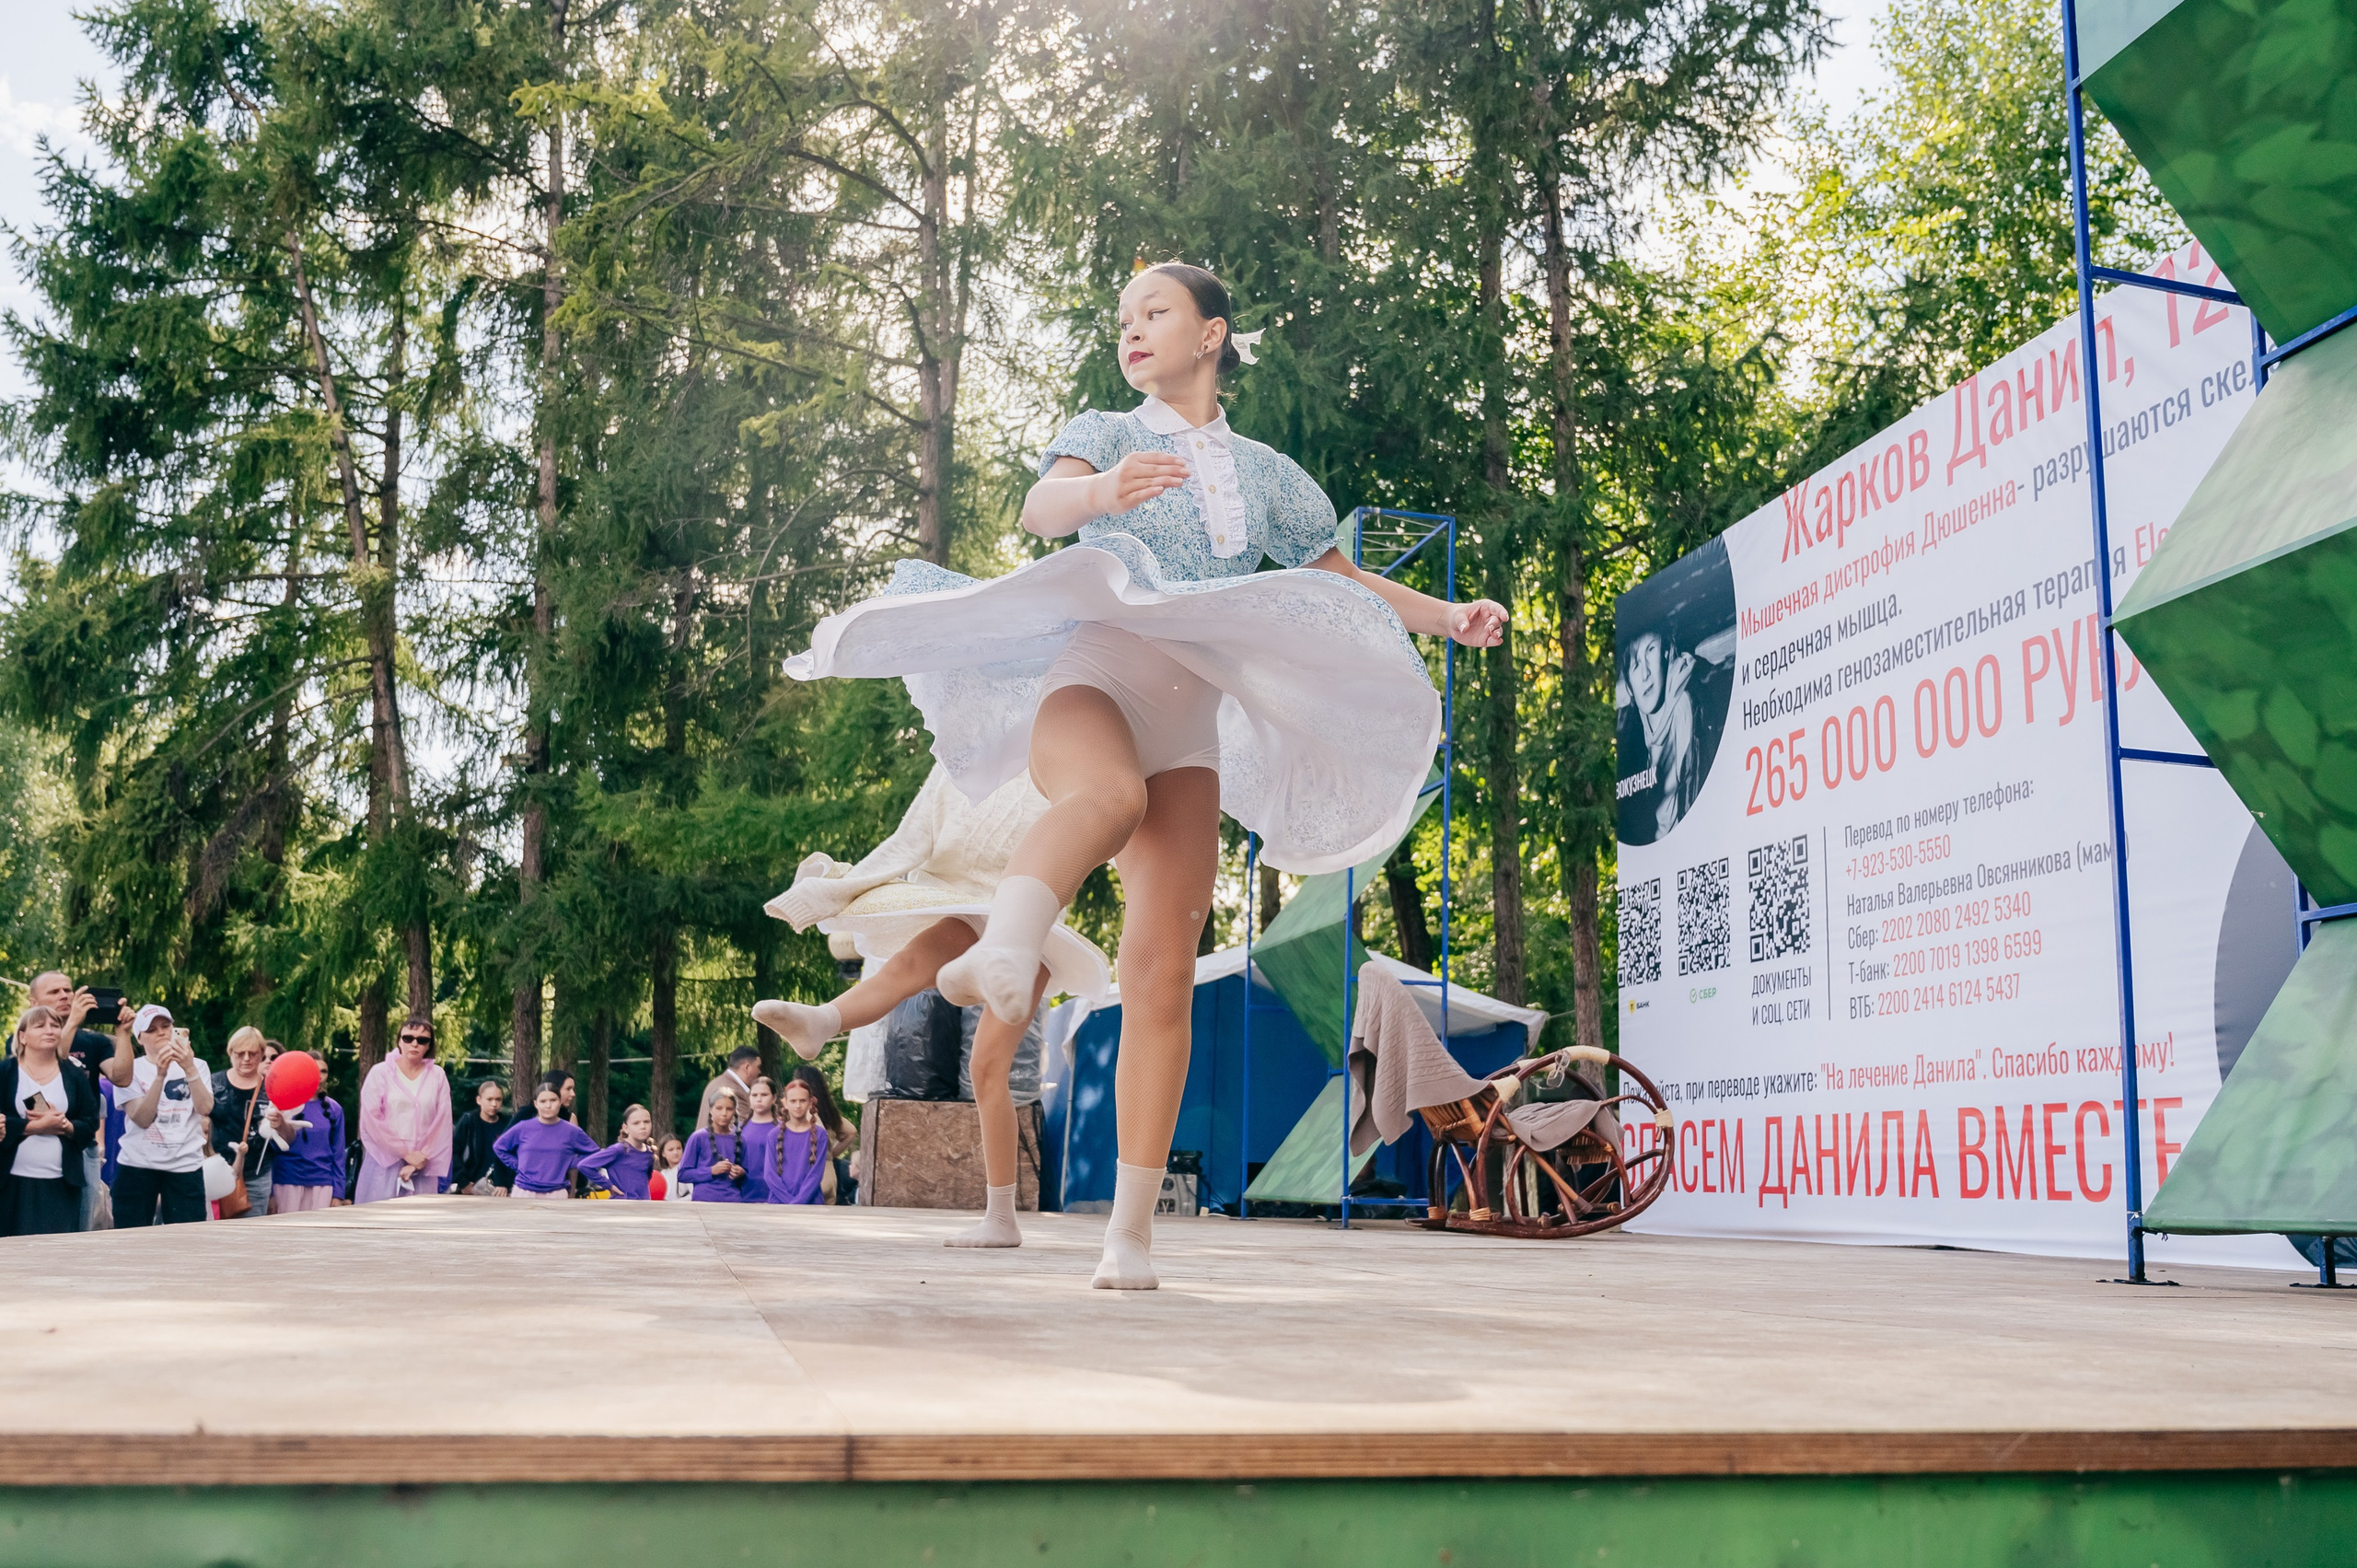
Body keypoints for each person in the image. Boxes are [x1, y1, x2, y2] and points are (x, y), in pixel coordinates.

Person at [785, 261, 1503, 1284]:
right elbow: (1042, 510)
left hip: (1190, 732)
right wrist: (1098, 492)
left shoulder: (1268, 474)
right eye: (1122, 318)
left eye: (1155, 313)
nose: (1133, 329)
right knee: (1105, 794)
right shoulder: (1110, 431)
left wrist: (1446, 616)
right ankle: (1003, 952)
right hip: (1093, 685)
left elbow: (1334, 581)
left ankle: (1128, 1233)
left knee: (1159, 972)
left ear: (1210, 333)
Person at [753, 763, 1112, 1061]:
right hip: (967, 907)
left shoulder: (1064, 758)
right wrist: (836, 889)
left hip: (1032, 924)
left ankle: (970, 981)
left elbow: (1102, 827)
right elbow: (907, 841)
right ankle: (822, 1020)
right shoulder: (957, 764)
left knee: (988, 1068)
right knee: (904, 967)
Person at [25, 970, 130, 1229]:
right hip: (37, 1143)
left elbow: (122, 1077)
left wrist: (124, 1032)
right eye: (54, 992)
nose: (64, 996)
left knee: (81, 1227)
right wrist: (71, 1023)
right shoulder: (23, 1039)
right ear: (33, 1003)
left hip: (82, 1144)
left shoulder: (94, 1042)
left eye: (68, 990)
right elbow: (48, 1068)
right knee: (38, 1227)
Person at [0, 1005, 102, 1236]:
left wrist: (65, 1126)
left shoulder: (73, 1073)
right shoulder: (5, 1072)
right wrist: (34, 1126)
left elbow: (90, 1122)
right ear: (22, 1036)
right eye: (40, 1026)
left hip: (61, 1181)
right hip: (11, 1182)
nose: (50, 1030)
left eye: (55, 1025)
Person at [112, 1004, 215, 1225]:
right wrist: (160, 1076)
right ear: (139, 1038)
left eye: (166, 1026)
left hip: (185, 1165)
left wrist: (189, 1069)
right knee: (130, 1238)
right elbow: (141, 1118)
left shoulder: (198, 1065)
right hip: (138, 1164)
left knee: (188, 1240)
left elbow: (205, 1108)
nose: (161, 1032)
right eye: (151, 1029)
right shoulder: (129, 1069)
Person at [354, 1016, 452, 1202]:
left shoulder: (438, 1076)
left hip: (423, 1165)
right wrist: (405, 1153)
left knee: (419, 1223)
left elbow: (443, 1122)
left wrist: (419, 1160)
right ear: (399, 1040)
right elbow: (371, 1119)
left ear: (429, 1045)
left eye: (422, 1040)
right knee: (378, 1221)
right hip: (384, 1162)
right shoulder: (380, 1072)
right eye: (408, 1038)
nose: (414, 1044)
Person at [208, 1027, 288, 1218]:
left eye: (252, 1053)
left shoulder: (272, 1088)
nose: (246, 1058)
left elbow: (289, 1139)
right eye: (240, 1053)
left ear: (261, 1054)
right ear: (230, 1053)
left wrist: (281, 1124)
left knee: (249, 1236)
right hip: (215, 1173)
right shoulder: (214, 1083)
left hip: (255, 1176)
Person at [493, 1084, 600, 1199]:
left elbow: (595, 1153)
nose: (548, 1105)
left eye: (553, 1100)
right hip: (524, 1192)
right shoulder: (523, 1127)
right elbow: (499, 1147)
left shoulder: (571, 1131)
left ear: (560, 1102)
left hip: (557, 1193)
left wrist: (571, 1163)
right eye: (543, 1101)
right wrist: (518, 1164)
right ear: (536, 1104)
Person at [267, 1084, 347, 1212]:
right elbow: (269, 1150)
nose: (318, 1076)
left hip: (322, 1183)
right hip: (287, 1180)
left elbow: (338, 1154)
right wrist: (270, 1192)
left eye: (323, 1071)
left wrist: (338, 1194)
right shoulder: (282, 1104)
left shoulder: (334, 1109)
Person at [791, 1064, 856, 1204]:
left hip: (808, 1174)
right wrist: (830, 1155)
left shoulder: (805, 1114)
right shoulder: (829, 1112)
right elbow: (851, 1131)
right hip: (829, 1174)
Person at [760, 1077, 830, 1206]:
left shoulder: (820, 1134)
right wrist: (790, 1203)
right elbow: (769, 1175)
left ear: (810, 1103)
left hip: (811, 1204)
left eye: (802, 1101)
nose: (798, 1105)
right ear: (785, 1103)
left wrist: (798, 1203)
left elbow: (816, 1175)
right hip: (779, 1204)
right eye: (793, 1101)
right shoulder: (773, 1135)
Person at [680, 1093, 751, 1202]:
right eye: (719, 1108)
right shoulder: (698, 1137)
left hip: (733, 1201)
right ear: (711, 1110)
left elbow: (747, 1174)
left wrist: (741, 1172)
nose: (724, 1113)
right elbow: (683, 1174)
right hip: (704, 1200)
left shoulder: (740, 1139)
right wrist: (711, 1171)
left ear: (735, 1111)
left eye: (729, 1109)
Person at [450, 1080, 516, 1195]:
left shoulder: (508, 1124)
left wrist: (505, 1183)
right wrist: (463, 1182)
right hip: (471, 1188)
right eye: (489, 1099)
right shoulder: (469, 1122)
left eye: (498, 1099)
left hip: (500, 1190)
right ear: (479, 1100)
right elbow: (453, 1153)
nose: (494, 1104)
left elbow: (514, 1156)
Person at [579, 1104, 658, 1199]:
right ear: (625, 1128)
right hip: (621, 1206)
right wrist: (608, 1185)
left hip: (643, 1208)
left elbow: (646, 1179)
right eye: (636, 1123)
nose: (643, 1126)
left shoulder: (649, 1152)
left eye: (647, 1122)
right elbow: (584, 1165)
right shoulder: (619, 1150)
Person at [695, 1046, 761, 1133]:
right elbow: (744, 1132)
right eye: (758, 1067)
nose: (759, 1072)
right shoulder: (734, 1092)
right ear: (747, 1068)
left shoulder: (716, 1083)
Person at [738, 1077, 781, 1203]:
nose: (759, 1099)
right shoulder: (739, 1129)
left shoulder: (783, 1129)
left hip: (775, 1196)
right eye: (754, 1095)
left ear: (774, 1098)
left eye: (764, 1095)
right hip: (744, 1195)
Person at [651, 1133, 690, 1202]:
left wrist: (674, 1203)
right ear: (663, 1153)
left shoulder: (687, 1170)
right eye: (671, 1150)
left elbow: (695, 1194)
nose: (675, 1152)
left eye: (679, 1148)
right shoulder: (663, 1174)